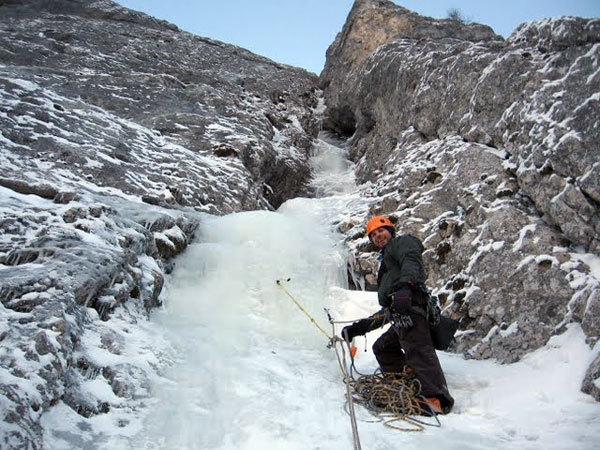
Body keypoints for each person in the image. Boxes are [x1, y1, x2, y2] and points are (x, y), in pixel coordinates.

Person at [342, 215, 454, 414]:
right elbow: (388, 311)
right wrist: (358, 329)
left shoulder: (401, 243)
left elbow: (411, 258)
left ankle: (435, 398)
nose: (378, 236)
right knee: (383, 347)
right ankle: (408, 382)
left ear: (391, 231)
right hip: (401, 310)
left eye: (381, 231)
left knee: (418, 348)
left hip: (411, 306)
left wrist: (406, 286)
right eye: (373, 235)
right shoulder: (387, 263)